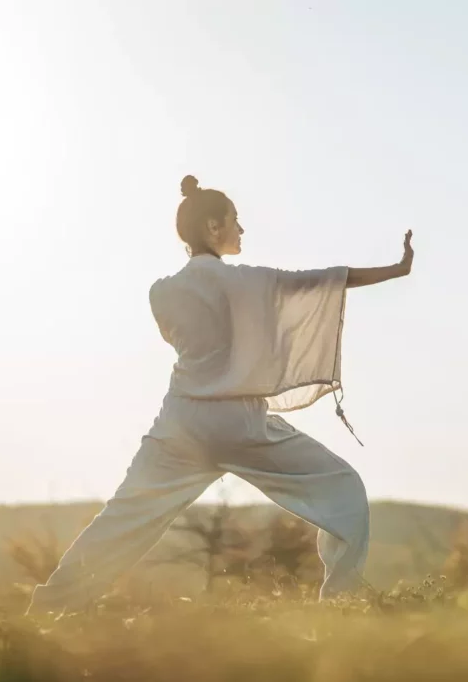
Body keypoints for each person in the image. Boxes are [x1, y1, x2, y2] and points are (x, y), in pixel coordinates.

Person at [26, 175, 413, 615]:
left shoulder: (161, 293)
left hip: (180, 425)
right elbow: (323, 282)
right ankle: (341, 607)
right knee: (343, 488)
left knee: (121, 521)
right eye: (235, 221)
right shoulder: (247, 283)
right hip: (239, 424)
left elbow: (179, 341)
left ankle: (48, 610)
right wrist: (397, 269)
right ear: (213, 227)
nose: (242, 230)